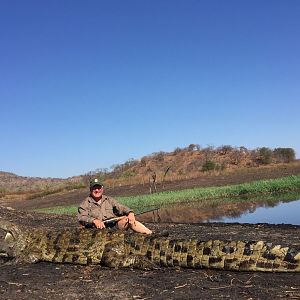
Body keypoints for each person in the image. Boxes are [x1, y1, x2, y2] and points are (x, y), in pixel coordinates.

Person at [78, 178, 152, 234]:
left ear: (102, 189)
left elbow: (121, 207)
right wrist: (94, 221)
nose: (97, 190)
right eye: (94, 188)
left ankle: (150, 234)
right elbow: (82, 218)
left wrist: (130, 213)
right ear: (91, 189)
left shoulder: (109, 200)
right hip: (96, 230)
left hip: (114, 226)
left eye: (99, 187)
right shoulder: (84, 204)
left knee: (128, 219)